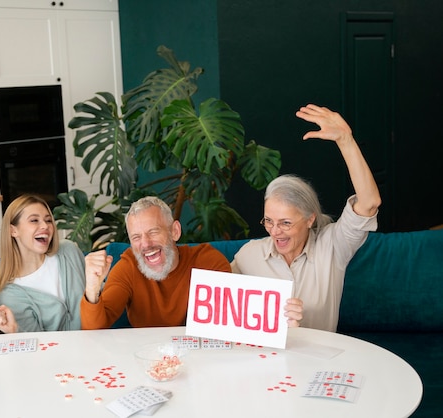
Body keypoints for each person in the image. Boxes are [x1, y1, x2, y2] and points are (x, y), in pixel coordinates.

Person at [230, 104, 381, 332]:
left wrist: (345, 140)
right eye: (268, 221)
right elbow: (222, 305)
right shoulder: (249, 255)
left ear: (310, 219)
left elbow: (369, 203)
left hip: (319, 361)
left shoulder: (333, 246)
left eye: (286, 223)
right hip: (262, 360)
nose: (275, 231)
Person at [81, 196, 304, 329]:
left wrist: (282, 318)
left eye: (153, 232)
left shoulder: (209, 261)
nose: (145, 244)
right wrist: (92, 287)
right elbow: (96, 328)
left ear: (175, 231)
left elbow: (236, 319)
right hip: (148, 362)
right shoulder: (128, 266)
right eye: (136, 237)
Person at [0, 195, 85, 333]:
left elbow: (99, 300)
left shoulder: (68, 251)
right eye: (34, 220)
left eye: (48, 220)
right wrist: (15, 331)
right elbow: (37, 348)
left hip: (99, 344)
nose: (45, 226)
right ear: (13, 230)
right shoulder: (11, 296)